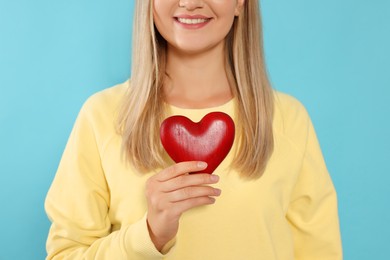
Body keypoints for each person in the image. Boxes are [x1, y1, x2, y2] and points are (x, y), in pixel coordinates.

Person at [45, 0, 343, 259]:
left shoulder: (289, 118)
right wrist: (149, 235)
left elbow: (320, 253)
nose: (190, 2)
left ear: (240, 2)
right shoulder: (102, 116)